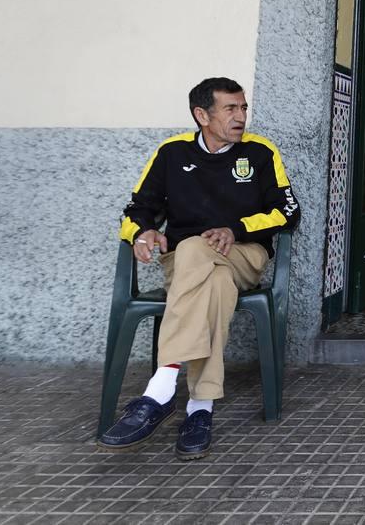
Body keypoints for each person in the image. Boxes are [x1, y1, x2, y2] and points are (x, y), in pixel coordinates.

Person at [98, 77, 300, 459]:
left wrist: (236, 229)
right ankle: (199, 408)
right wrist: (142, 233)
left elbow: (288, 213)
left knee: (203, 253)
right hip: (188, 265)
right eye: (231, 109)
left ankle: (161, 388)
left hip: (243, 255)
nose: (241, 116)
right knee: (212, 280)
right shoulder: (171, 153)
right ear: (201, 115)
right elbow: (136, 209)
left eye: (243, 108)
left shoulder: (260, 152)